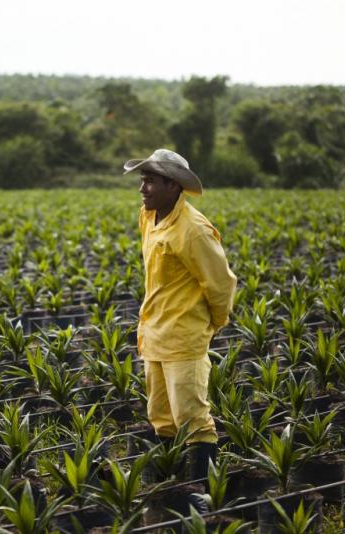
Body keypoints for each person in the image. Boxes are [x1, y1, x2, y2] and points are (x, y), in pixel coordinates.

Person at [124, 148, 237, 483]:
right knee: (161, 417)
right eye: (142, 181)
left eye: (150, 182)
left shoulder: (194, 230)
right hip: (154, 333)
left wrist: (212, 325)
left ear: (174, 186)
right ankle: (171, 489)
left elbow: (221, 283)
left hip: (185, 337)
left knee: (193, 419)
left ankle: (202, 495)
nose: (142, 188)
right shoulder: (148, 215)